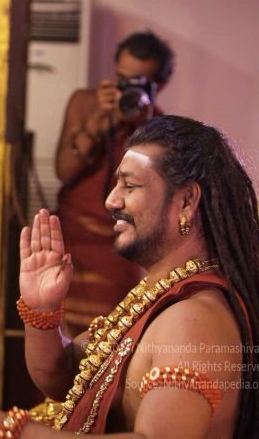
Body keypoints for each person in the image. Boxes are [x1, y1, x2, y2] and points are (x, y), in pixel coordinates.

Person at [0, 115, 259, 438]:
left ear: (186, 201)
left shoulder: (192, 319)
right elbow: (63, 378)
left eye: (130, 186)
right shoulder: (158, 296)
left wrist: (8, 430)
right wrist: (41, 310)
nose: (110, 200)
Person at [54, 31, 174, 336]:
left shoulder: (159, 128)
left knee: (103, 339)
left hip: (116, 250)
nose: (125, 89)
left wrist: (143, 126)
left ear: (158, 86)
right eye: (121, 79)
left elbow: (151, 197)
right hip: (71, 238)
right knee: (55, 331)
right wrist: (95, 124)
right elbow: (64, 171)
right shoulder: (86, 103)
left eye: (137, 82)